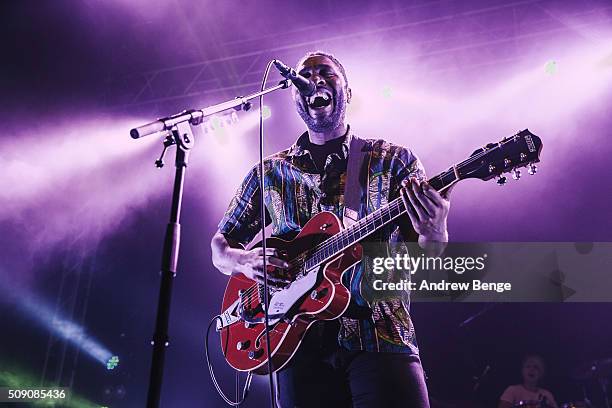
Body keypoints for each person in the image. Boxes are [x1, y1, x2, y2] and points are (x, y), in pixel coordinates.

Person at [210, 50, 451, 408]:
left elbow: (427, 261)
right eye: (305, 76)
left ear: (348, 93)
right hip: (294, 340)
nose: (315, 80)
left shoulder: (393, 161)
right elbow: (220, 247)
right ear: (294, 97)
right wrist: (243, 261)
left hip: (379, 335)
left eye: (326, 73)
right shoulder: (270, 172)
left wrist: (436, 233)